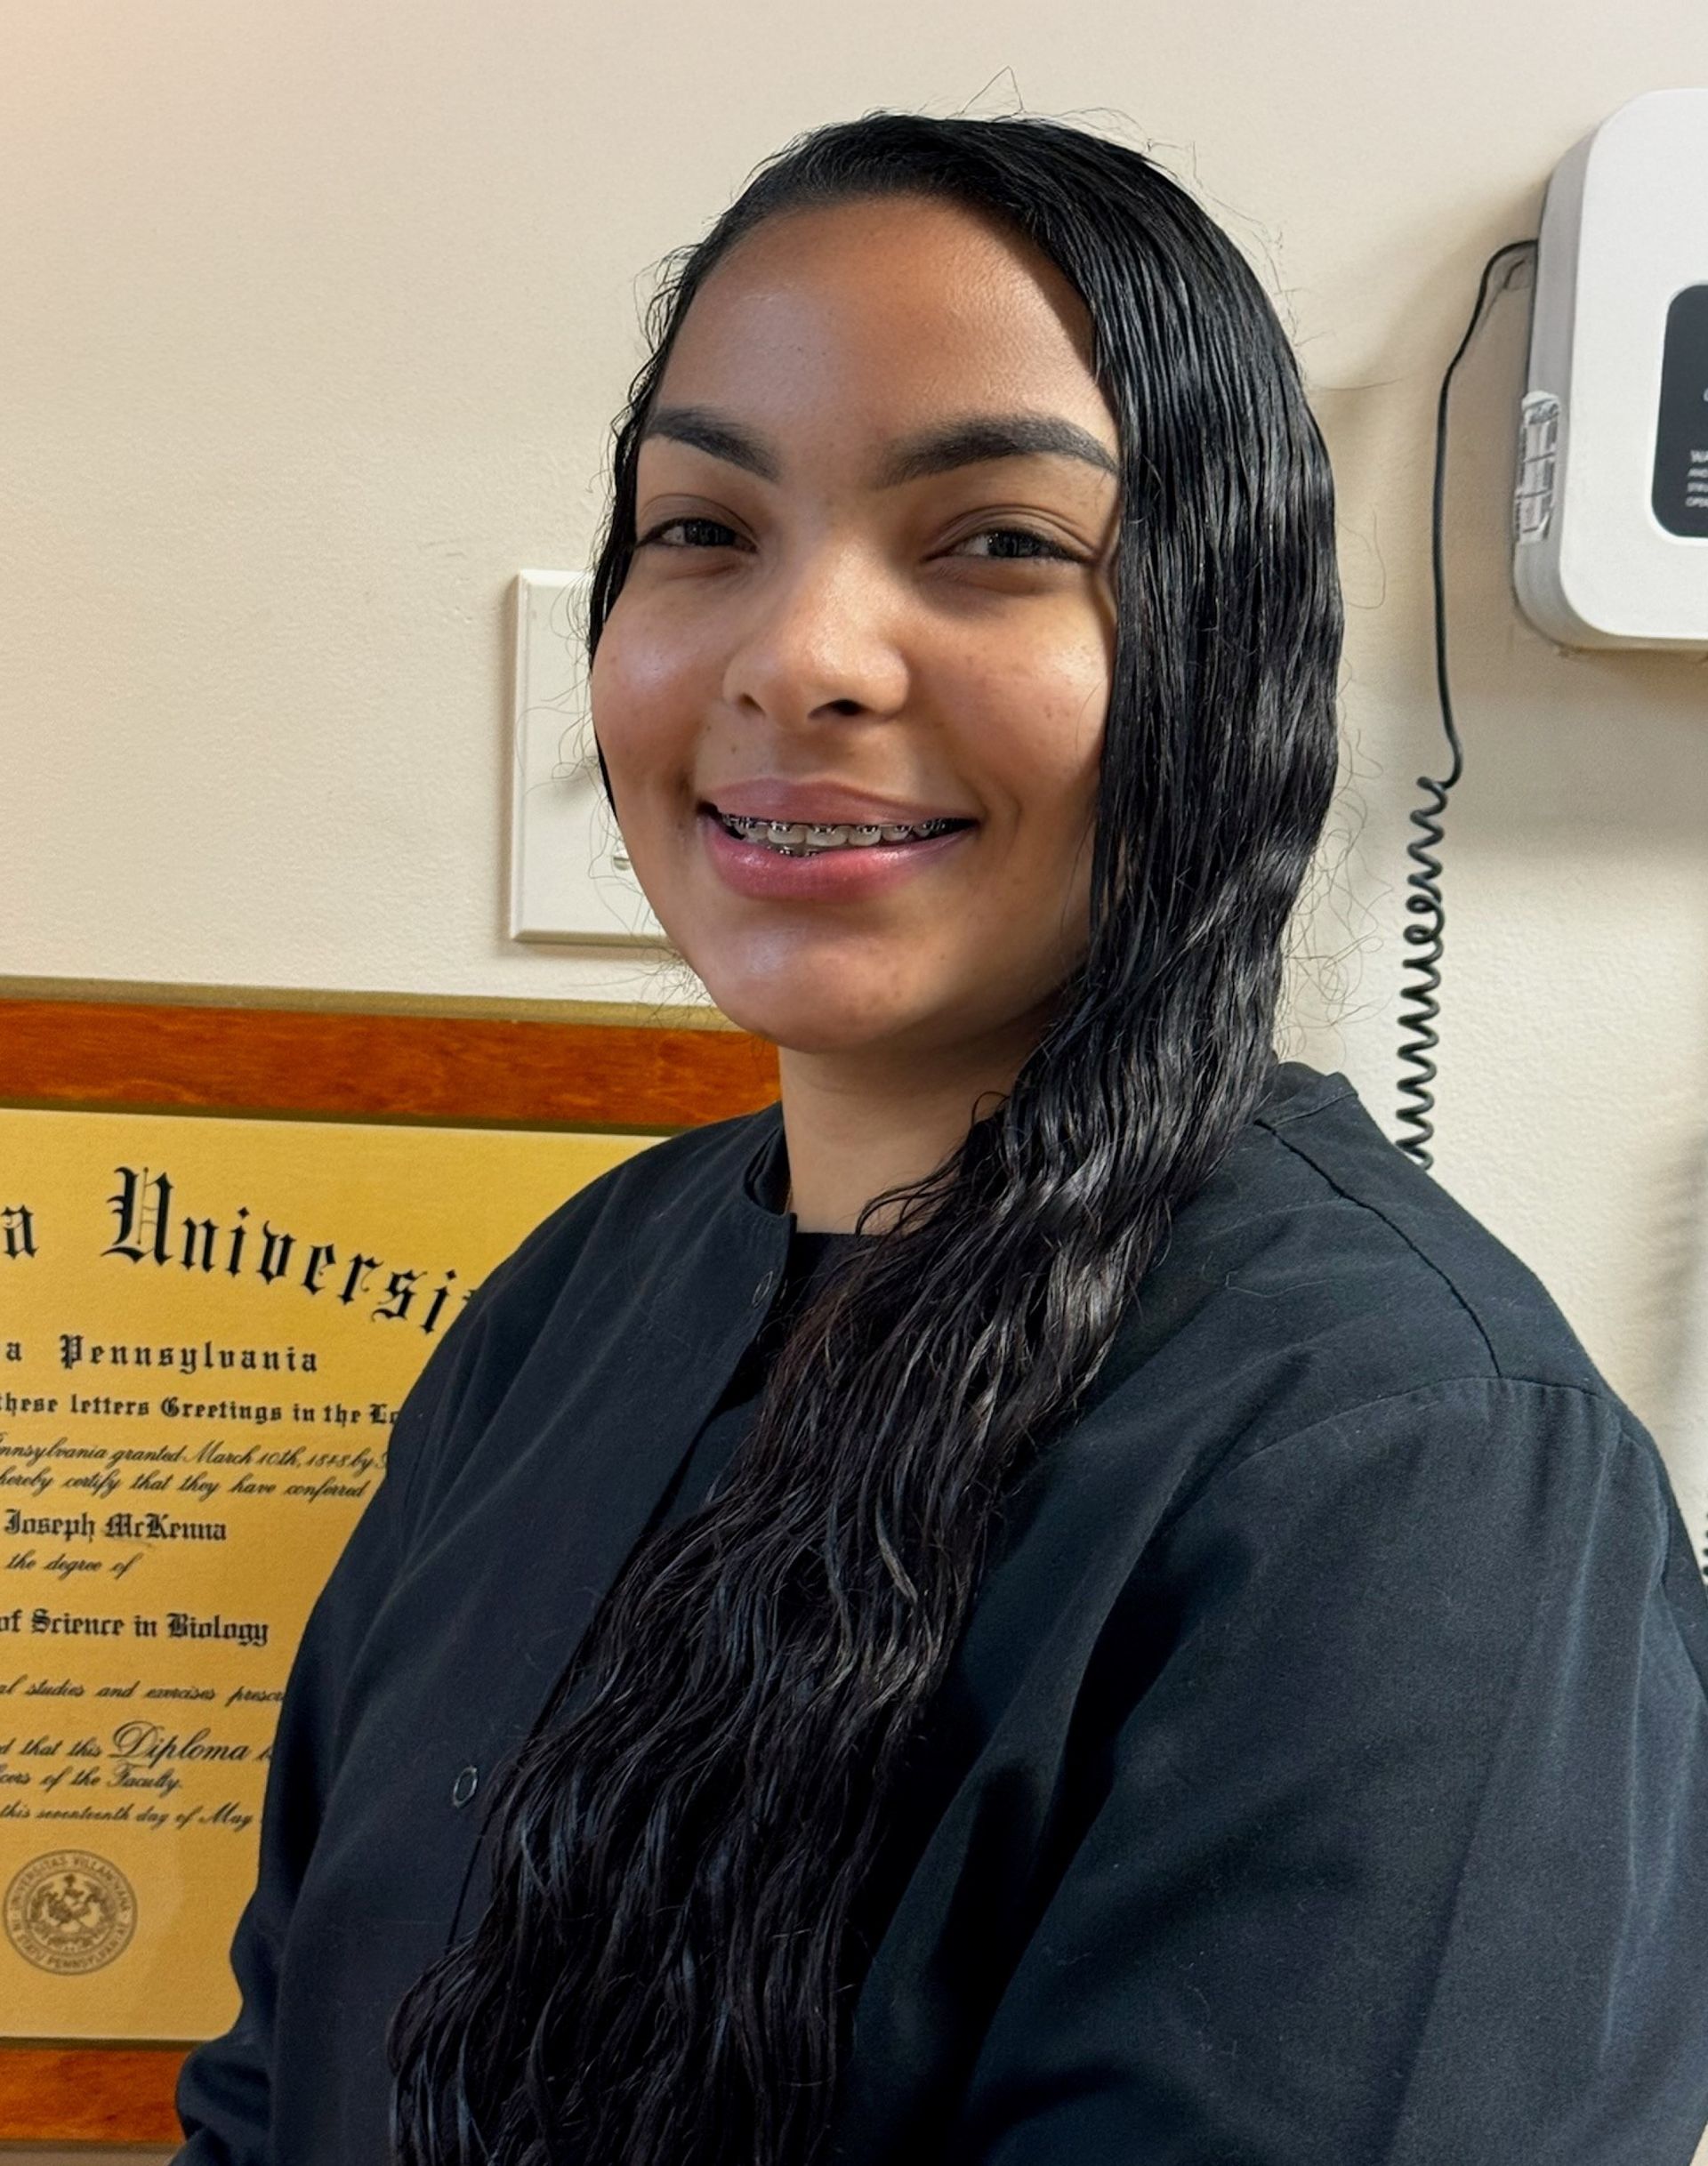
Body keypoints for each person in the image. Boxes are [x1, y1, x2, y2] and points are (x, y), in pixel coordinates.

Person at [173, 111, 1708, 2166]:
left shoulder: (1411, 1470)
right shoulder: (569, 1310)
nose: (798, 658)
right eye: (703, 530)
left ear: (1221, 646)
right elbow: (280, 2081)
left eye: (993, 540)